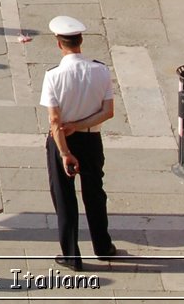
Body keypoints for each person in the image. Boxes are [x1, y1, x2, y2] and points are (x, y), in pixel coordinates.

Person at [40, 15, 118, 272]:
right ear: (81, 40)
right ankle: (103, 246)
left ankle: (72, 255)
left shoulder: (53, 76)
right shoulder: (101, 70)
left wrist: (64, 152)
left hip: (62, 140)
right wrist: (82, 124)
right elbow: (108, 112)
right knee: (95, 193)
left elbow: (54, 119)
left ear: (58, 44)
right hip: (91, 138)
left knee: (64, 197)